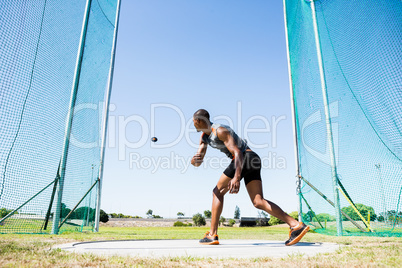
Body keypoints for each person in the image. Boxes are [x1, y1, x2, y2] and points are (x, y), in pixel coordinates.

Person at [191, 109, 309, 246]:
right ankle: (295, 225)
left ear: (198, 120)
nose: (193, 125)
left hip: (244, 158)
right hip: (252, 159)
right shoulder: (204, 137)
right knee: (258, 201)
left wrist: (236, 177)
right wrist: (194, 160)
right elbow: (198, 161)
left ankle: (212, 234)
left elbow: (237, 152)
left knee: (217, 192)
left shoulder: (220, 130)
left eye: (193, 122)